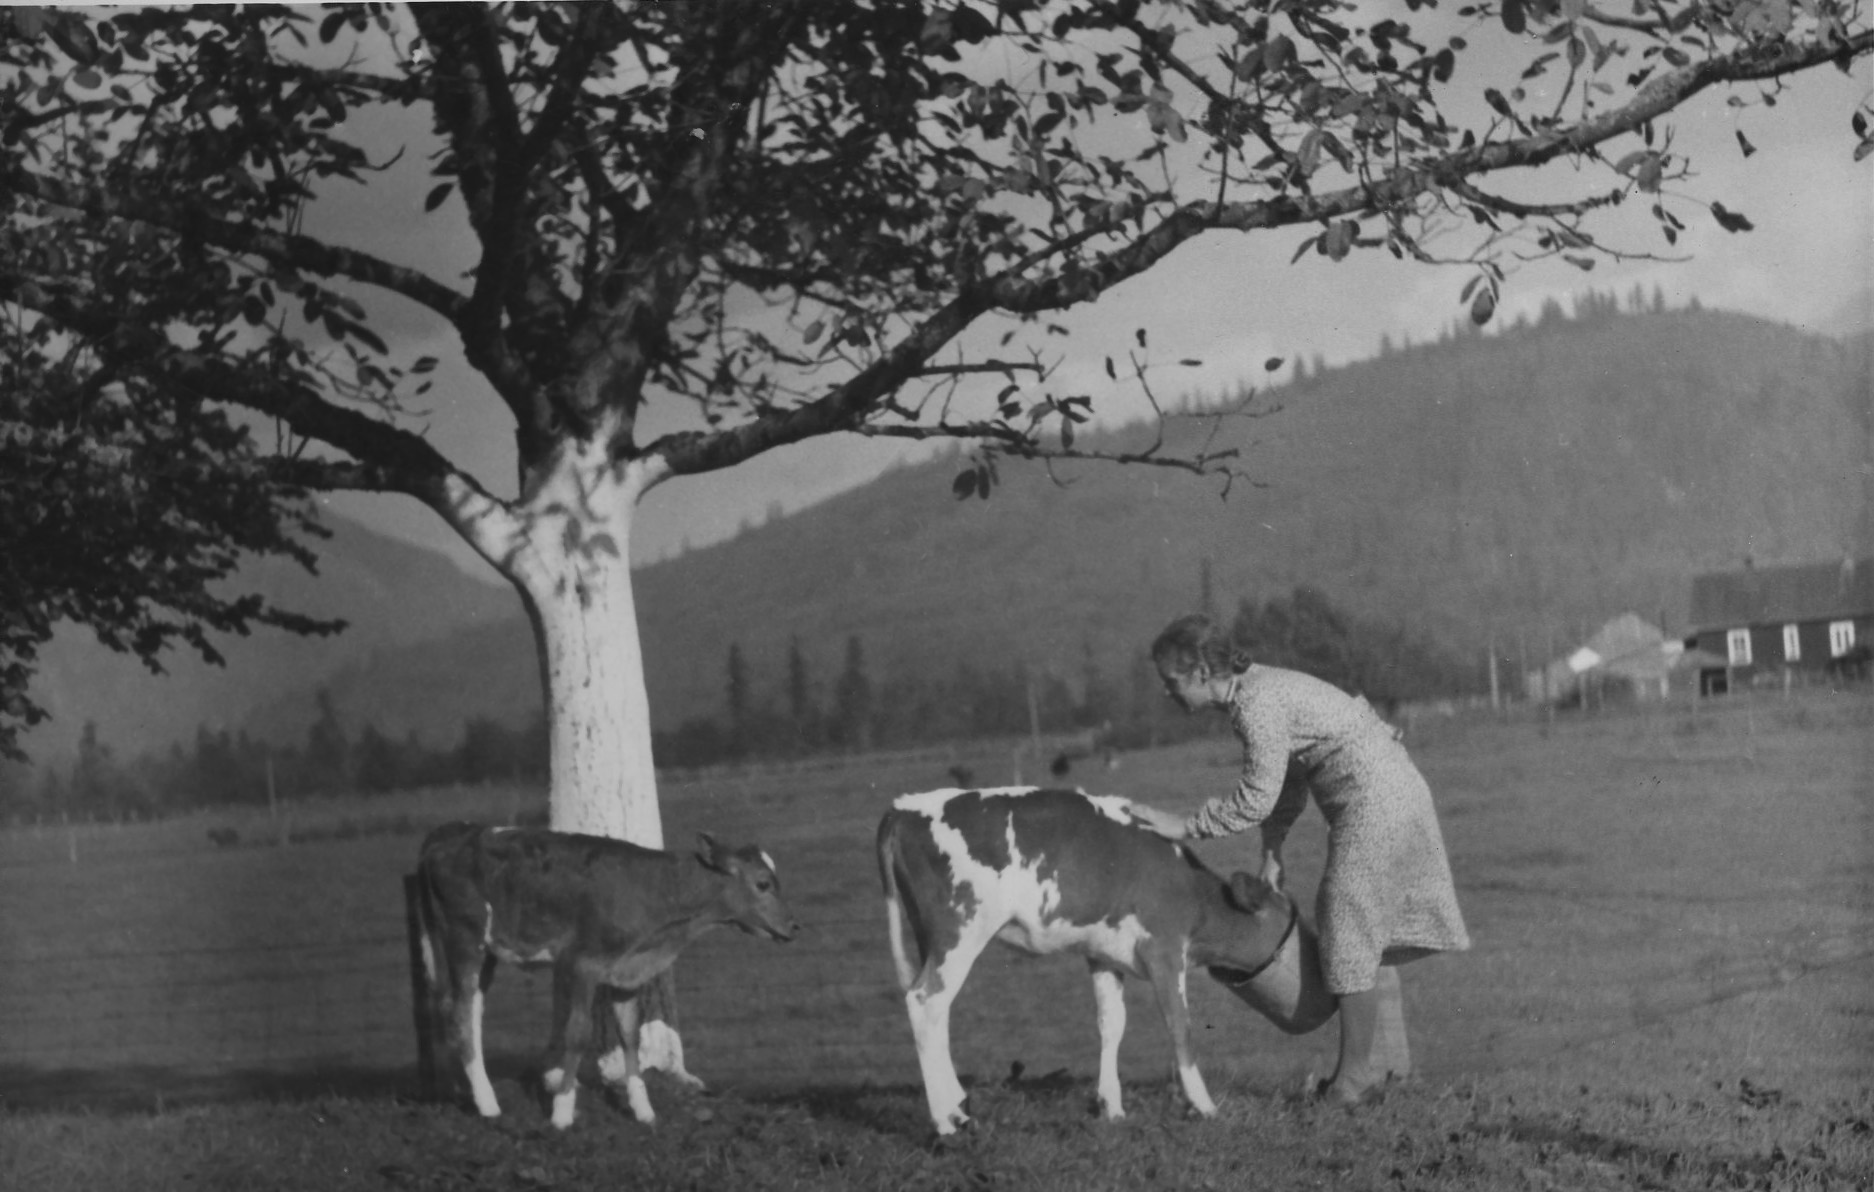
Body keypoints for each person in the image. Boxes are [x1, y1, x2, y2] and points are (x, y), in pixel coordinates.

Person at [1128, 613, 1469, 1105]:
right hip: (1387, 792)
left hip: (1377, 800)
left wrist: (1185, 825)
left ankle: (1354, 1080)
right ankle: (1369, 1071)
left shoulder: (1256, 703)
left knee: (1348, 920)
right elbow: (1288, 778)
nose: (1167, 692)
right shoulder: (1258, 691)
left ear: (1202, 673)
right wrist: (1272, 849)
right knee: (1355, 924)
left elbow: (1258, 795)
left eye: (1171, 681)